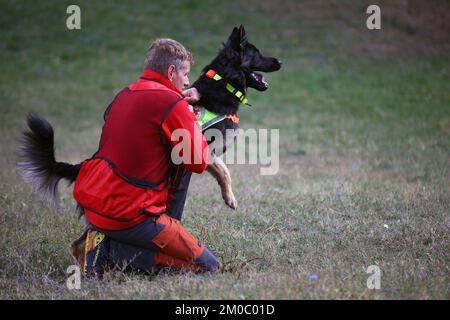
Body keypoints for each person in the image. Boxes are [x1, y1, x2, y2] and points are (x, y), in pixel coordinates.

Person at [73, 38, 221, 274]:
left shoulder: (124, 94)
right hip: (133, 215)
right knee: (209, 266)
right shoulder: (173, 103)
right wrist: (193, 119)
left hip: (97, 207)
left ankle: (101, 241)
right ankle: (108, 253)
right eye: (185, 74)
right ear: (171, 71)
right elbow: (198, 162)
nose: (187, 81)